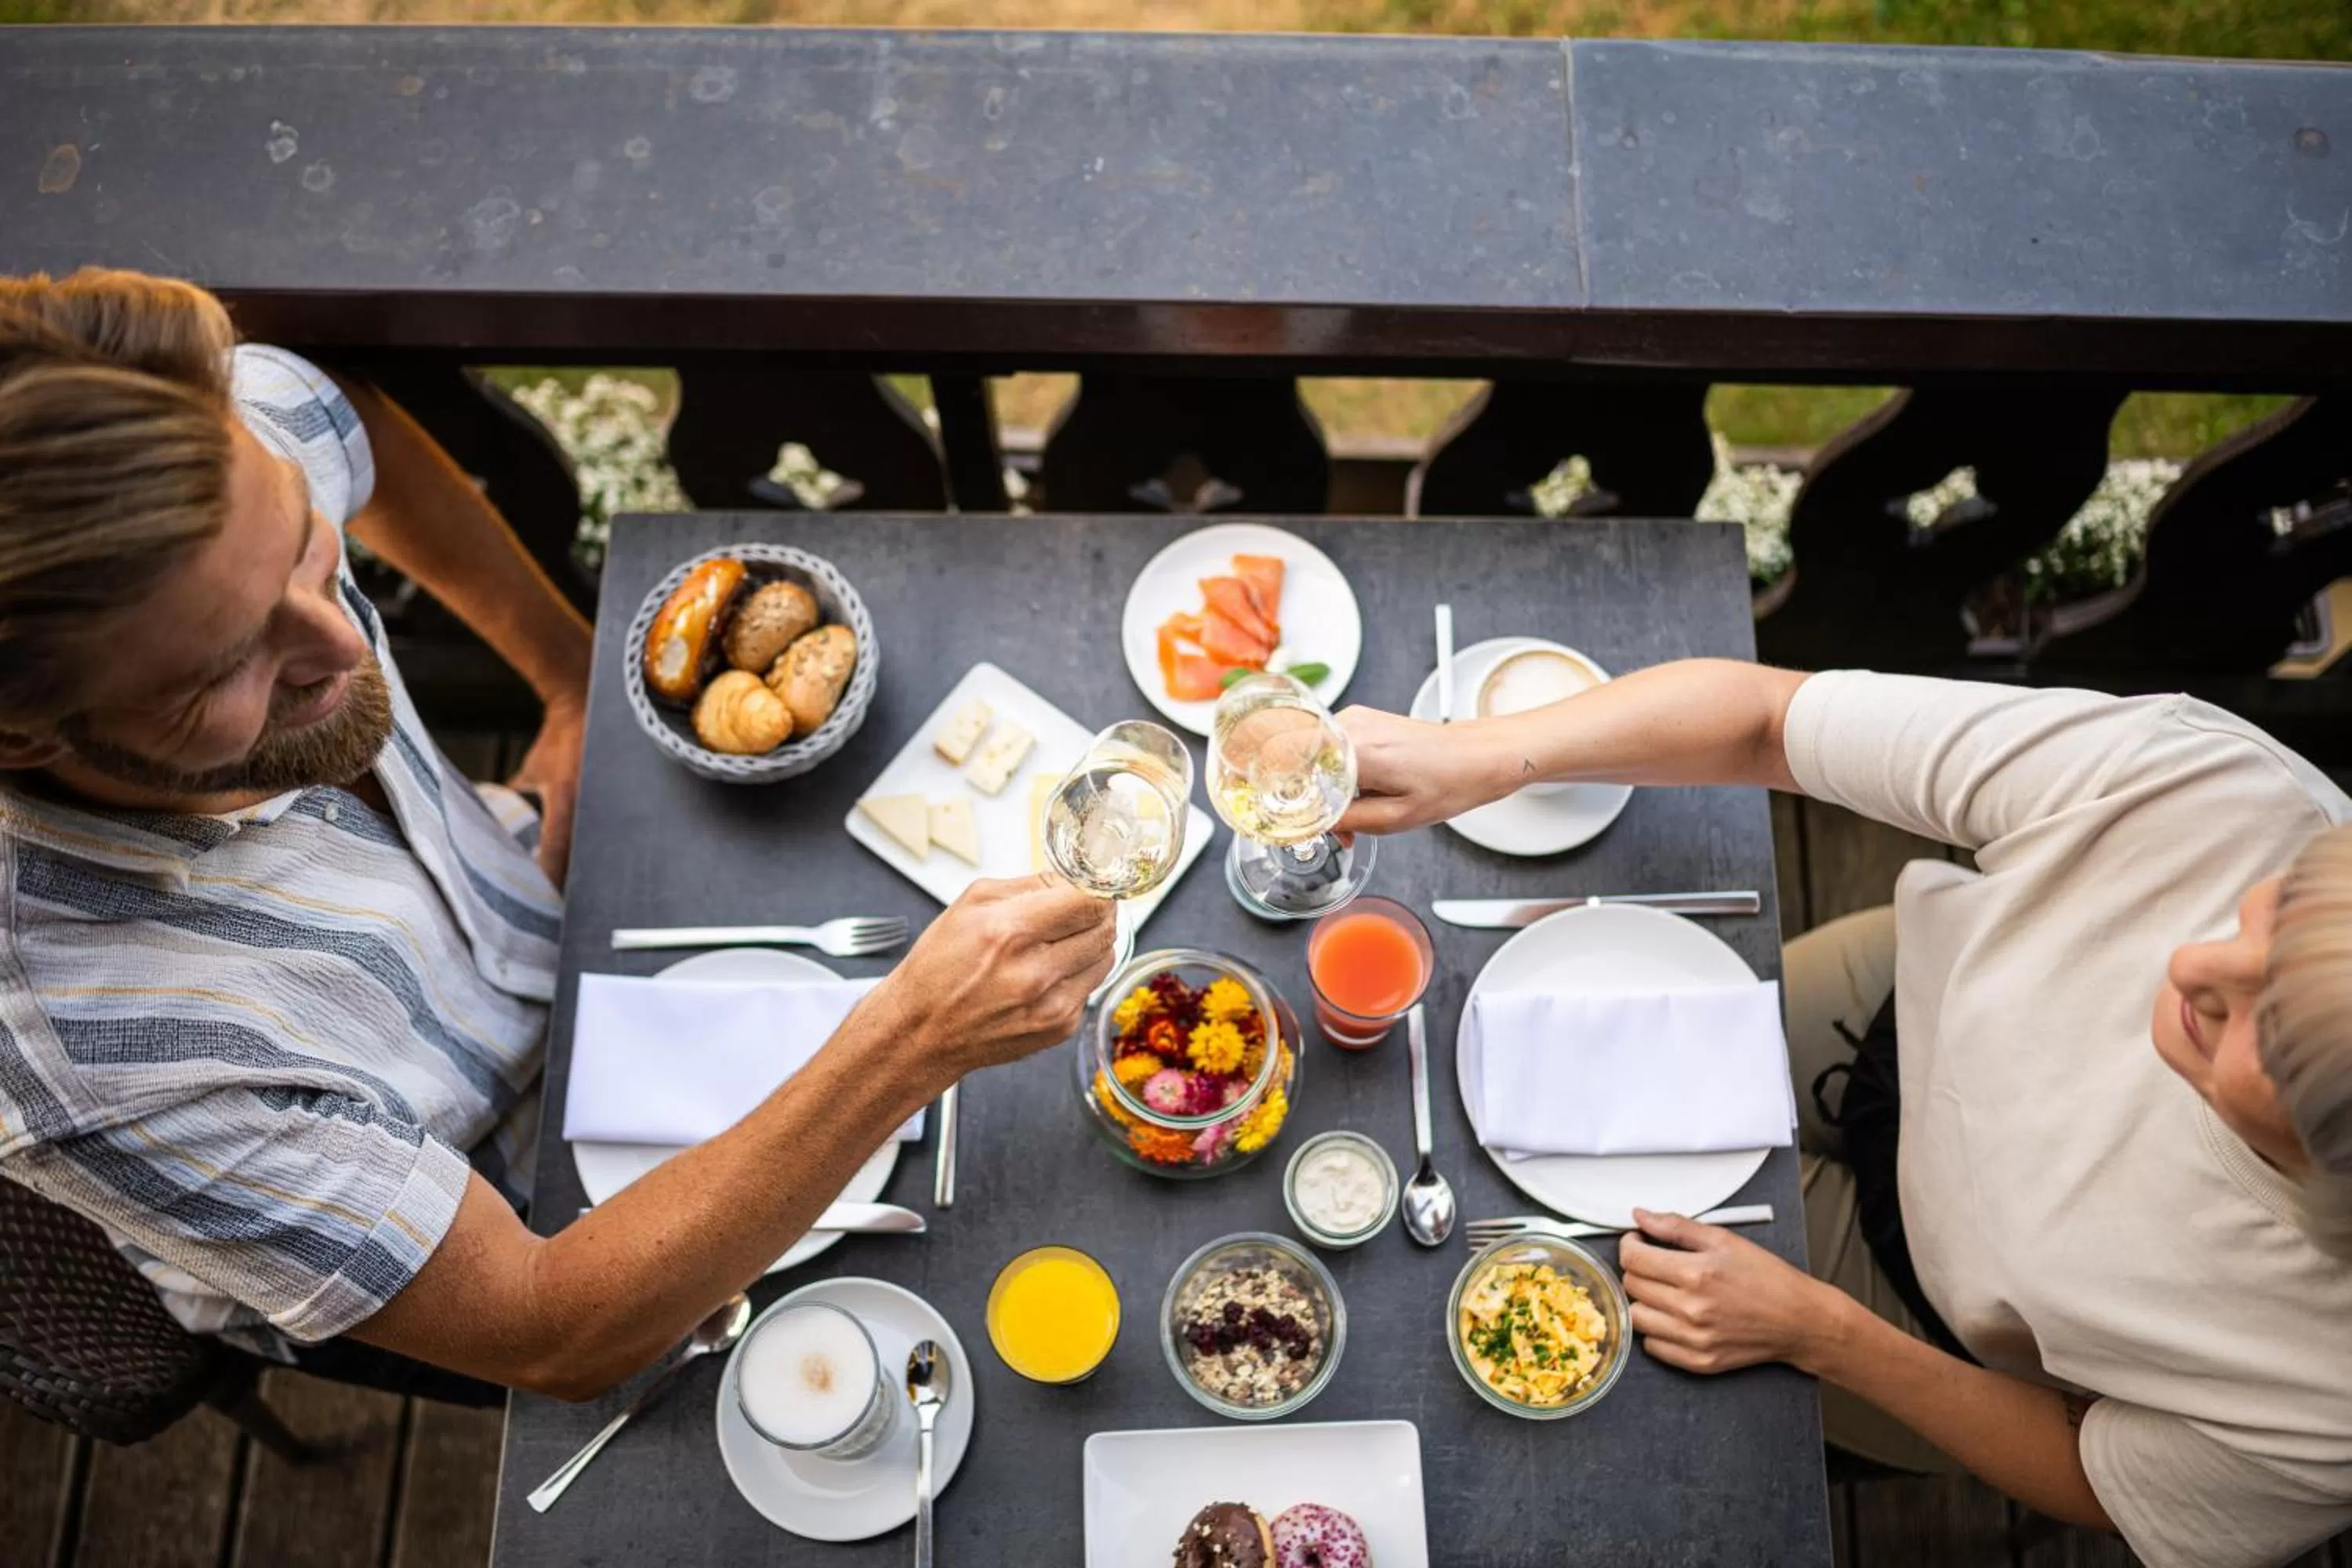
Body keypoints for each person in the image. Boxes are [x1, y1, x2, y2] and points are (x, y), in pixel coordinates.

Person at [0, 268, 1114, 1400]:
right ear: (25, 737)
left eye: (300, 541)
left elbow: (342, 415)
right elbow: (550, 1331)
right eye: (227, 663)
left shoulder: (186, 446)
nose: (344, 645)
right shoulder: (94, 1060)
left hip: (547, 918)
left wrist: (567, 675)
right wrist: (911, 1042)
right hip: (492, 1232)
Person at [1337, 659, 2352, 1568]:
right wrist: (1475, 756)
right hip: (1899, 1016)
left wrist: (1819, 1334)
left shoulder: (2327, 1388)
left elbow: (2102, 1479)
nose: (2191, 964)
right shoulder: (2220, 790)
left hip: (1920, 1313)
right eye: (2275, 912)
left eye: (2269, 1032)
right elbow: (1772, 720)